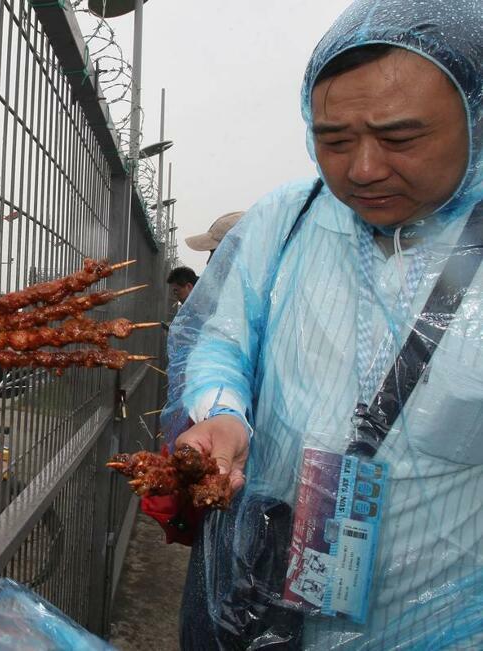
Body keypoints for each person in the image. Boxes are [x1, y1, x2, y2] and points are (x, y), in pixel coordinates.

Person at [165, 1, 483, 648]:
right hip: (256, 598)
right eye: (334, 140)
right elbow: (219, 338)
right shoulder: (286, 222)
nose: (362, 168)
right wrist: (221, 410)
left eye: (400, 138)